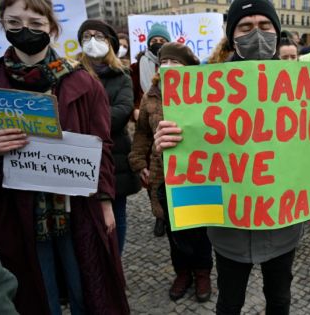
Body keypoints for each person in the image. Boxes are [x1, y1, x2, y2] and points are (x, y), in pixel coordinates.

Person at [152, 0, 310, 313]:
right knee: (230, 301)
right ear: (232, 34)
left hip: (284, 227)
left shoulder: (306, 89)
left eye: (265, 26)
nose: (257, 33)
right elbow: (194, 161)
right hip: (228, 230)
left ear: (277, 32)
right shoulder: (204, 88)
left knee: (279, 299)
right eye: (246, 27)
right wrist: (170, 147)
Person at [0, 0, 128, 314]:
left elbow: (103, 145)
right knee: (38, 292)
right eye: (14, 23)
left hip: (76, 208)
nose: (25, 30)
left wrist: (106, 201)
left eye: (35, 24)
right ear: (2, 24)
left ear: (50, 27)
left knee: (86, 289)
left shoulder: (83, 81)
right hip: (18, 212)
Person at [129, 42, 213, 303]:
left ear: (188, 68)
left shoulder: (204, 94)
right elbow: (142, 132)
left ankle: (202, 273)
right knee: (173, 230)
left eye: (175, 63)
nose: (168, 67)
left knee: (198, 230)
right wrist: (139, 162)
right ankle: (182, 273)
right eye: (164, 62)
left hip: (195, 175)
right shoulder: (151, 95)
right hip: (164, 175)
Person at [76, 19, 141, 255]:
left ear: (110, 43)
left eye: (99, 36)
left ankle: (116, 261)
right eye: (87, 35)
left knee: (117, 215)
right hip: (81, 154)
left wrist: (82, 121)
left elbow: (121, 112)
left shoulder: (121, 75)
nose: (92, 41)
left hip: (115, 155)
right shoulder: (72, 74)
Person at [129, 22, 171, 236]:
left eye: (161, 41)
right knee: (153, 181)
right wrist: (135, 110)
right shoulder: (137, 68)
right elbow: (142, 132)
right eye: (153, 41)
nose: (157, 43)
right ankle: (160, 217)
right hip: (151, 139)